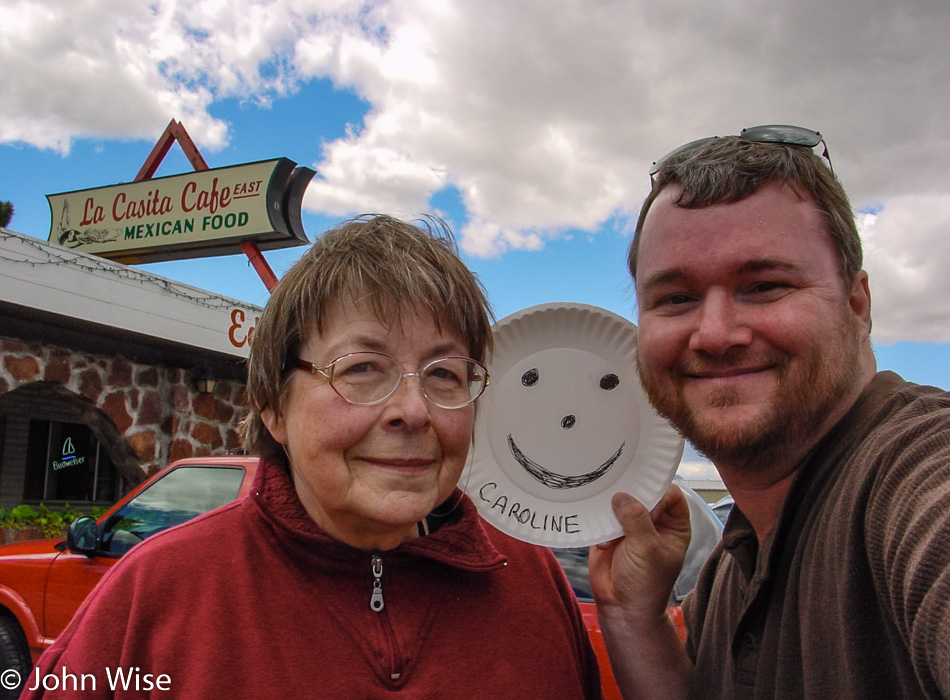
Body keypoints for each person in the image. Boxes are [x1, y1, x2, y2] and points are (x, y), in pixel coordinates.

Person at [23, 215, 601, 698]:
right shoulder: (157, 592)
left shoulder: (532, 581)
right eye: (361, 369)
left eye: (444, 374)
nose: (414, 411)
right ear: (273, 405)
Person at [589, 126, 950, 699]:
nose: (714, 335)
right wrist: (636, 619)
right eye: (676, 299)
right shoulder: (729, 577)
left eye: (764, 286)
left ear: (857, 306)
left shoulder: (913, 477)